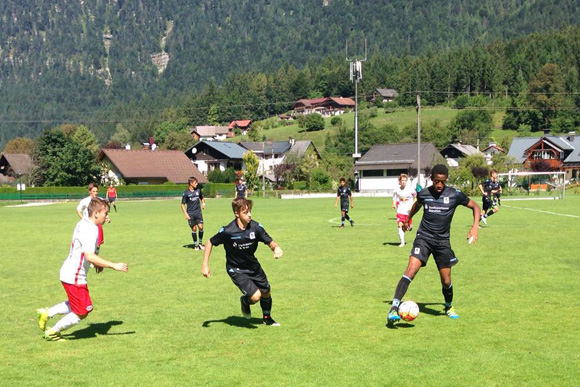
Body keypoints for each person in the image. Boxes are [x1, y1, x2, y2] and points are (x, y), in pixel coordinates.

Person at [387, 164, 481, 323]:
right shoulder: (424, 194)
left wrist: (475, 228)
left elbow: (475, 207)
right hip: (423, 238)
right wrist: (408, 220)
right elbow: (416, 206)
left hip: (442, 242)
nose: (439, 185)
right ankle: (393, 308)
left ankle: (448, 306)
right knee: (411, 269)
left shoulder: (454, 195)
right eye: (437, 181)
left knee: (446, 280)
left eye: (442, 181)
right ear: (432, 179)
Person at [36, 198, 129, 341]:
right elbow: (89, 255)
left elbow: (84, 251)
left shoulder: (83, 223)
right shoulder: (91, 229)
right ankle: (53, 332)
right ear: (96, 213)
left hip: (69, 271)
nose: (107, 216)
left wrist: (97, 264)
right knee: (83, 311)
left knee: (77, 304)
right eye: (105, 213)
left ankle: (47, 313)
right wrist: (113, 265)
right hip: (75, 275)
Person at [202, 198, 284, 326]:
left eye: (250, 211)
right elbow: (210, 242)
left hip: (253, 266)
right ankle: (245, 301)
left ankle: (267, 318)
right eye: (246, 212)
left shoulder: (256, 227)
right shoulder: (228, 231)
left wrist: (276, 248)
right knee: (256, 296)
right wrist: (205, 265)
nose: (250, 214)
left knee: (266, 291)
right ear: (237, 213)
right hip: (236, 269)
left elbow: (270, 242)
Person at [76, 183, 107, 251]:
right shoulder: (85, 201)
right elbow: (78, 210)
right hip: (88, 225)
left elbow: (104, 211)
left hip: (97, 225)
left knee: (97, 246)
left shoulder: (100, 200)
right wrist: (83, 219)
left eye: (97, 191)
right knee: (88, 243)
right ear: (89, 191)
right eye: (94, 191)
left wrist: (107, 217)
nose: (95, 193)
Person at [392, 173, 417, 247]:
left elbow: (415, 197)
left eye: (405, 180)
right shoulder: (396, 189)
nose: (403, 182)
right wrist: (394, 204)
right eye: (402, 180)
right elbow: (394, 198)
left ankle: (409, 225)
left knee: (406, 228)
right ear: (399, 181)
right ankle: (402, 242)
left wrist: (412, 206)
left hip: (408, 211)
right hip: (400, 210)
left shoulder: (410, 189)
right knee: (400, 225)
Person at [181, 176, 206, 250]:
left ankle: (200, 243)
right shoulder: (186, 193)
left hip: (198, 213)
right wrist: (185, 214)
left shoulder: (198, 190)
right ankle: (196, 245)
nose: (197, 184)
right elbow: (182, 205)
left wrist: (203, 204)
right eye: (195, 182)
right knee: (194, 229)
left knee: (201, 227)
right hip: (190, 214)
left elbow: (202, 198)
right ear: (191, 183)